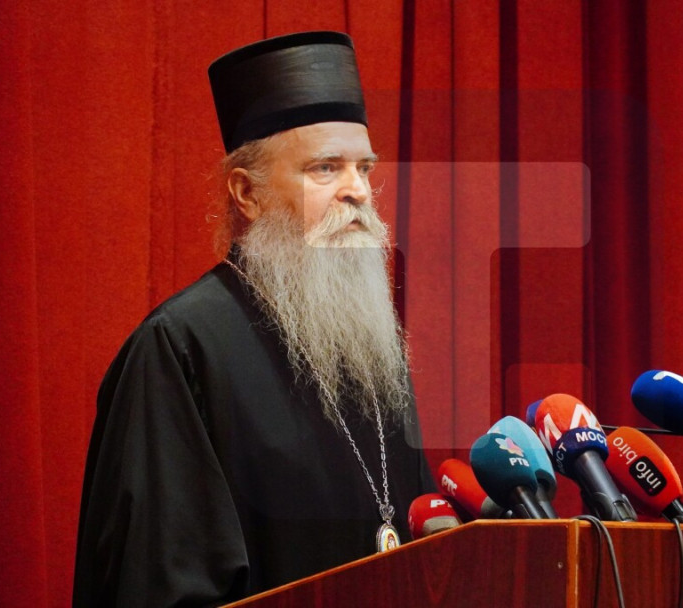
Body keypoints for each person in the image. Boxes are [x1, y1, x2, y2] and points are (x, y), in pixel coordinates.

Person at [73, 31, 434, 607]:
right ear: (248, 193)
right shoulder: (180, 348)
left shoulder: (372, 344)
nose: (358, 192)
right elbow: (159, 580)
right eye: (325, 168)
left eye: (364, 168)